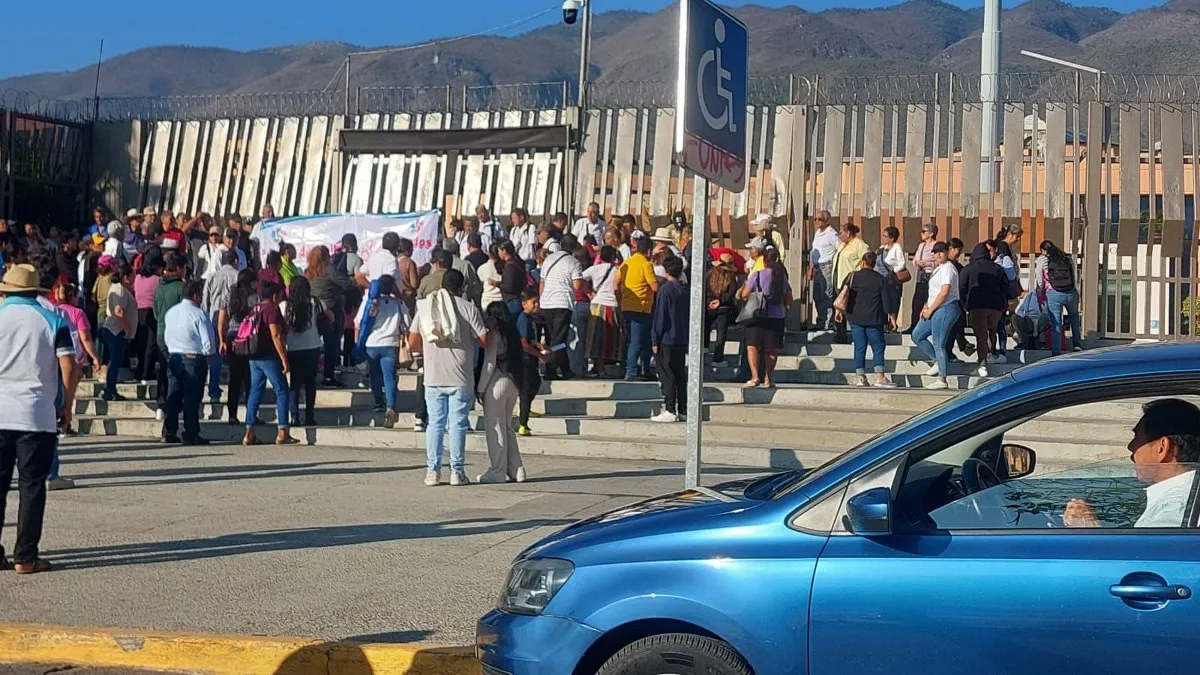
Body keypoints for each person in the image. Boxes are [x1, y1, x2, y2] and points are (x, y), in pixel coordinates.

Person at [0, 263, 76, 574]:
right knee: (32, 486)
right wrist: (66, 404)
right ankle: (25, 556)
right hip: (35, 413)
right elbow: (69, 366)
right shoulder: (53, 319)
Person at [1065, 399, 1200, 529]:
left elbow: (1150, 552)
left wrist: (1088, 530)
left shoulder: (1175, 509)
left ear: (1162, 448)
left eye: (1138, 438)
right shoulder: (1187, 501)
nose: (1131, 446)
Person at [408, 269, 488, 487]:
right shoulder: (468, 307)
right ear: (462, 287)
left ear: (441, 284)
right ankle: (457, 471)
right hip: (461, 375)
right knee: (458, 424)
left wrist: (430, 352)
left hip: (433, 375)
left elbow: (412, 341)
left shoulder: (425, 307)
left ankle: (432, 472)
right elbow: (484, 339)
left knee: (434, 423)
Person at [475, 302, 526, 484]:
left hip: (496, 383)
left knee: (495, 428)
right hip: (513, 383)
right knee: (507, 427)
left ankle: (497, 471)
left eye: (488, 316)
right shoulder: (512, 333)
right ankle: (517, 469)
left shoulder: (494, 335)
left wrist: (480, 389)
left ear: (494, 317)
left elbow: (489, 363)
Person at [240, 281, 296, 446]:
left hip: (253, 356)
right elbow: (275, 334)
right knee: (282, 390)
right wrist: (284, 359)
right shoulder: (271, 309)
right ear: (274, 296)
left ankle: (249, 432)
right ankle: (282, 431)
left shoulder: (255, 308)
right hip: (268, 356)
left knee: (255, 391)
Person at [160, 280, 214, 445]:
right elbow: (208, 341)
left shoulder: (171, 312)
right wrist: (208, 354)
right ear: (196, 295)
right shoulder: (199, 314)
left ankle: (169, 430)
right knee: (192, 398)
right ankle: (191, 432)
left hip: (174, 355)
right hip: (193, 357)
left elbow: (166, 335)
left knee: (173, 395)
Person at [355, 274, 406, 428]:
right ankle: (391, 406)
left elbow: (358, 322)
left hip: (372, 343)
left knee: (375, 376)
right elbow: (407, 323)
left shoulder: (370, 302)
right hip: (391, 343)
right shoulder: (398, 303)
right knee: (389, 377)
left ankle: (378, 402)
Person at [837, 252, 895, 388]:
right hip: (874, 319)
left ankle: (861, 377)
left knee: (859, 347)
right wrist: (892, 318)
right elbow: (887, 302)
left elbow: (843, 294)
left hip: (855, 317)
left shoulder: (852, 277)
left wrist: (839, 311)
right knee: (878, 347)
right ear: (874, 264)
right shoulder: (880, 279)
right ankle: (880, 377)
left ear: (863, 262)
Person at [739, 248, 793, 388]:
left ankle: (755, 376)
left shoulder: (757, 275)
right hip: (777, 316)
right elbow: (788, 300)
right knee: (772, 349)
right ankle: (768, 378)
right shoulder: (782, 278)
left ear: (763, 260)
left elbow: (744, 294)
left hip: (757, 315)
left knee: (753, 346)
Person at [51, 283, 100, 434]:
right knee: (69, 393)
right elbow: (85, 337)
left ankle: (56, 420)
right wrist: (95, 357)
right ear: (71, 297)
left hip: (56, 356)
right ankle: (65, 423)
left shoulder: (54, 311)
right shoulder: (78, 313)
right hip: (74, 357)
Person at [281, 276, 329, 428]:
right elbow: (331, 317)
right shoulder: (316, 302)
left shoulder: (285, 305)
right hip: (312, 346)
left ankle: (294, 416)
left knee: (294, 383)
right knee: (310, 383)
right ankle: (310, 416)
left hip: (293, 348)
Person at [912, 241, 960, 390]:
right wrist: (926, 305)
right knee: (917, 335)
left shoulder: (948, 269)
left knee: (940, 344)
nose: (938, 255)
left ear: (947, 252)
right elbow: (933, 291)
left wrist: (931, 309)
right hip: (934, 307)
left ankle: (942, 379)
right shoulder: (938, 269)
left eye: (941, 252)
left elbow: (945, 292)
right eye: (935, 252)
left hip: (945, 308)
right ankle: (937, 361)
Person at [539, 234, 585, 380]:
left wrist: (542, 299)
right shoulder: (574, 262)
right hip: (562, 303)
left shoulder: (548, 259)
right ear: (574, 247)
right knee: (559, 339)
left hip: (546, 302)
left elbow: (542, 282)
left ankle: (565, 369)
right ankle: (551, 369)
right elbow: (577, 285)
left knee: (552, 337)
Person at [959, 242, 1008, 377]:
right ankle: (992, 354)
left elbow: (961, 288)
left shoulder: (969, 268)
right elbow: (1005, 286)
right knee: (992, 330)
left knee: (981, 336)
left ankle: (982, 363)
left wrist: (965, 304)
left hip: (977, 305)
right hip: (996, 306)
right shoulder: (997, 268)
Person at [650, 257, 689, 423]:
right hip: (681, 337)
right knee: (680, 374)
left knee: (666, 374)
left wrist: (654, 339)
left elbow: (660, 316)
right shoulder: (685, 290)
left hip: (666, 338)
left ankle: (670, 408)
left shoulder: (665, 290)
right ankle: (683, 409)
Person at [217, 269, 258, 425]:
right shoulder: (254, 298)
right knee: (250, 379)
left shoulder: (227, 296)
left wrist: (221, 340)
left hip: (232, 338)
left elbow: (221, 321)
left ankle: (232, 415)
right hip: (249, 339)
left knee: (234, 379)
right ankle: (251, 415)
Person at [616, 235, 658, 381]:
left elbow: (615, 284)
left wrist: (621, 299)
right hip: (642, 307)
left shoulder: (626, 263)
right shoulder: (646, 265)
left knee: (638, 339)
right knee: (638, 340)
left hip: (627, 306)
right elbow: (654, 286)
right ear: (648, 251)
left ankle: (643, 369)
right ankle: (632, 371)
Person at [304, 246, 346, 389]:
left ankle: (310, 373)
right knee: (331, 344)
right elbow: (346, 283)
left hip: (313, 309)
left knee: (313, 344)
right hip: (330, 310)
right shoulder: (329, 270)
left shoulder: (307, 272)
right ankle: (328, 375)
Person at [202, 249, 239, 404]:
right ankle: (237, 390)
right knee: (235, 357)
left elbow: (205, 301)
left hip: (215, 315)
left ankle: (214, 391)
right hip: (232, 317)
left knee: (215, 356)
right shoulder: (237, 276)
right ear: (235, 261)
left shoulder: (212, 276)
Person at [152, 254, 187, 416]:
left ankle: (161, 402)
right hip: (176, 335)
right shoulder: (181, 288)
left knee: (163, 367)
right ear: (179, 269)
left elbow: (156, 312)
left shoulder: (159, 288)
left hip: (161, 332)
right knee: (176, 371)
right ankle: (174, 405)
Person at [582, 245, 622, 376]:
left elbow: (580, 278)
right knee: (612, 337)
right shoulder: (618, 270)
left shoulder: (594, 269)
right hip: (613, 304)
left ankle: (598, 366)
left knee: (595, 338)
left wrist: (588, 292)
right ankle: (610, 365)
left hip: (597, 304)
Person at [1040, 240, 1084, 355]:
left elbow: (1040, 280)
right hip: (1070, 292)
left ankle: (1056, 351)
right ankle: (1077, 345)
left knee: (1056, 322)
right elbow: (1074, 276)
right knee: (1074, 317)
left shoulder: (1043, 260)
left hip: (1053, 293)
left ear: (1043, 250)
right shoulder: (1067, 258)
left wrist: (1042, 292)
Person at [515, 288, 549, 436]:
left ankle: (525, 408)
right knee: (526, 389)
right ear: (524, 304)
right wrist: (540, 355)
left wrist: (540, 346)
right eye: (533, 302)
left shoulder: (532, 319)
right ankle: (523, 423)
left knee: (535, 384)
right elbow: (524, 344)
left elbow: (531, 340)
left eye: (538, 302)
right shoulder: (523, 319)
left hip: (531, 357)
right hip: (524, 359)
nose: (536, 305)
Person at [100, 264, 137, 402]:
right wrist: (126, 328)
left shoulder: (118, 289)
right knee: (114, 362)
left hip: (114, 329)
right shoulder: (120, 290)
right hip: (115, 330)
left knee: (114, 361)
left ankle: (111, 388)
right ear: (126, 278)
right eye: (132, 276)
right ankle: (109, 389)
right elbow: (118, 311)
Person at [833, 223, 870, 343]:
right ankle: (841, 335)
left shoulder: (860, 245)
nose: (840, 236)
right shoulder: (843, 245)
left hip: (851, 282)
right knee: (839, 307)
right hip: (839, 281)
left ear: (848, 233)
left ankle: (857, 336)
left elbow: (866, 262)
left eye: (841, 233)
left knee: (851, 310)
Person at [131, 258, 162, 385]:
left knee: (141, 343)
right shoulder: (157, 280)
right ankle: (147, 371)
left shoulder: (138, 278)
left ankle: (140, 370)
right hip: (151, 312)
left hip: (138, 311)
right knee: (151, 343)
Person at [705, 253, 740, 365]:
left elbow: (705, 289)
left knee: (706, 329)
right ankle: (718, 358)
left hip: (709, 306)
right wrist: (720, 301)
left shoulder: (709, 275)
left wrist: (709, 302)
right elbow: (731, 293)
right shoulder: (731, 278)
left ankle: (704, 350)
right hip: (724, 308)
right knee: (721, 334)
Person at [907, 222, 939, 333]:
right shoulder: (921, 245)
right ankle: (913, 325)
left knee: (929, 300)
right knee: (917, 301)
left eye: (924, 231)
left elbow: (939, 261)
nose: (922, 234)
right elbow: (914, 259)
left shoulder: (936, 245)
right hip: (920, 275)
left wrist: (928, 264)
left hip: (931, 275)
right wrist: (917, 263)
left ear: (931, 233)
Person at [878, 226, 906, 331]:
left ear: (892, 238)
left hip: (892, 280)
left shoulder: (897, 247)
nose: (883, 238)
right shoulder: (881, 248)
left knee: (892, 301)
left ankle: (892, 324)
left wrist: (892, 272)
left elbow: (902, 263)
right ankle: (884, 323)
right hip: (881, 279)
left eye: (886, 236)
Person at [478, 243, 505, 311]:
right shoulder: (505, 267)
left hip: (487, 301)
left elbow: (480, 281)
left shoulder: (482, 268)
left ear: (489, 254)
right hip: (502, 300)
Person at [395, 238, 420, 312]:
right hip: (408, 298)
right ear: (407, 250)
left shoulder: (393, 261)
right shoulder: (409, 262)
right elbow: (414, 284)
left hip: (396, 298)